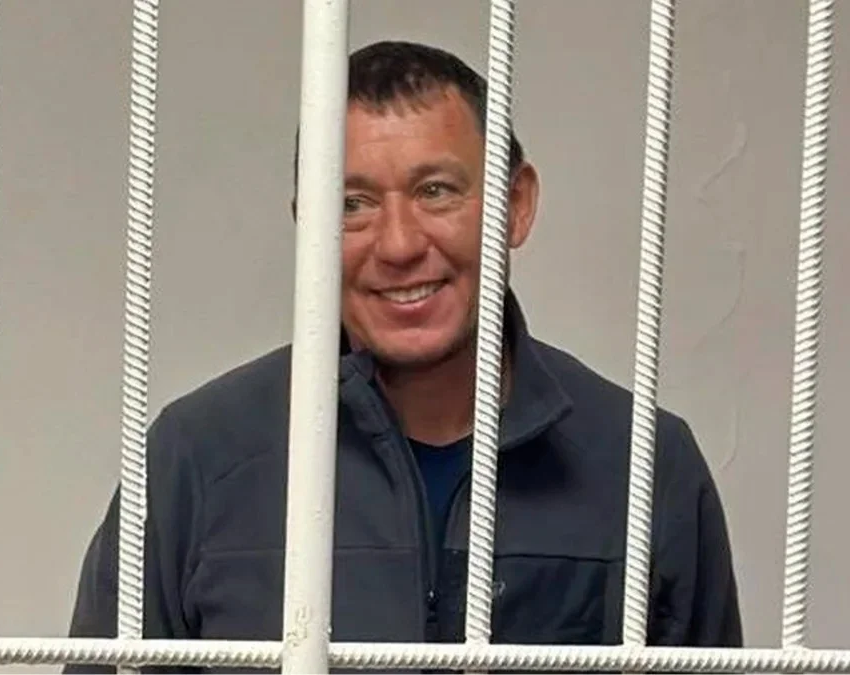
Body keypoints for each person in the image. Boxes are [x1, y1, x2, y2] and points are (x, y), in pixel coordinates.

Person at [65, 40, 742, 672]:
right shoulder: (196, 456)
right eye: (352, 202)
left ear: (515, 205)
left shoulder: (643, 462)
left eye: (435, 191)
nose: (398, 244)